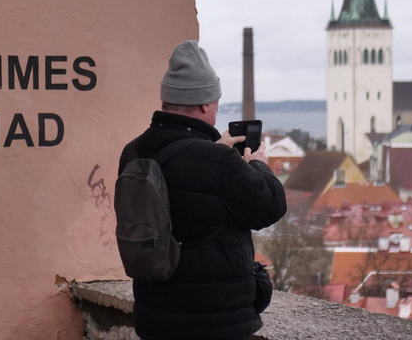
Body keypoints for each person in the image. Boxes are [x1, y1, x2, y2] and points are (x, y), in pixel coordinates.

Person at [118, 40, 287, 340]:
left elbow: (183, 189)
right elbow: (270, 205)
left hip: (154, 319)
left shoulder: (133, 153)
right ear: (206, 103)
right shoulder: (218, 161)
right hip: (215, 323)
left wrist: (213, 149)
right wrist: (258, 164)